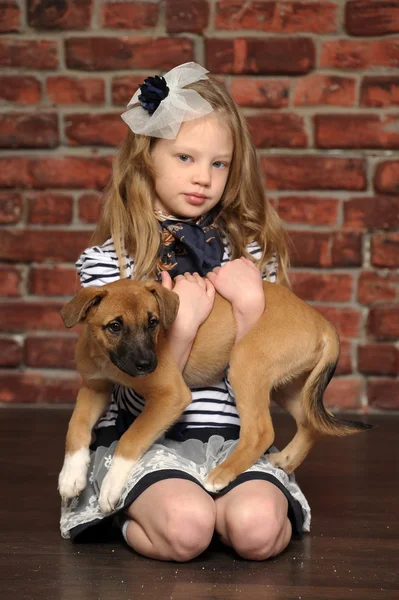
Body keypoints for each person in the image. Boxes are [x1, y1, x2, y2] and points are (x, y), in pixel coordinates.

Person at [60, 62, 311, 561]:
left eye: (219, 164)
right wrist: (185, 324)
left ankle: (234, 505)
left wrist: (251, 302)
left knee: (258, 531)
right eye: (185, 157)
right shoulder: (111, 262)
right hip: (150, 438)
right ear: (147, 156)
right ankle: (125, 515)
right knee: (188, 530)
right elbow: (122, 370)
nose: (203, 177)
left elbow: (261, 356)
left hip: (232, 432)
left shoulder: (251, 250)